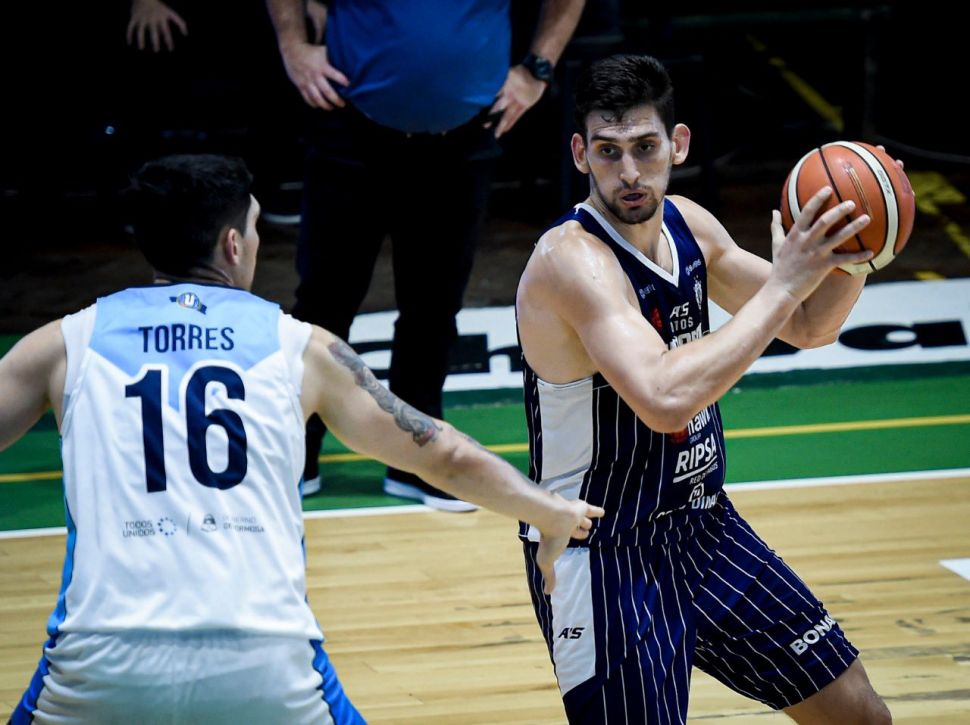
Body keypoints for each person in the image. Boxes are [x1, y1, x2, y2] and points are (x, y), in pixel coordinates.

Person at [3, 154, 604, 724]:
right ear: (233, 244)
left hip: (100, 657)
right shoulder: (301, 347)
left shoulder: (65, 343)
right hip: (265, 659)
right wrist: (548, 510)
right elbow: (441, 455)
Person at [514, 55, 894, 723]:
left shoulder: (690, 225)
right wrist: (785, 282)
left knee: (860, 713)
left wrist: (855, 251)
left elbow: (810, 323)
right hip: (603, 553)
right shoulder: (571, 261)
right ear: (580, 154)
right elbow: (663, 400)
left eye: (645, 147)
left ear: (678, 144)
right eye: (608, 151)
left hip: (705, 528)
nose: (629, 172)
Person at [264, 0, 586, 507]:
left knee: (434, 305)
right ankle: (294, 452)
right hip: (349, 125)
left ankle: (416, 460)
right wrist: (293, 44)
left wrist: (536, 69)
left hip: (466, 135)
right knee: (325, 300)